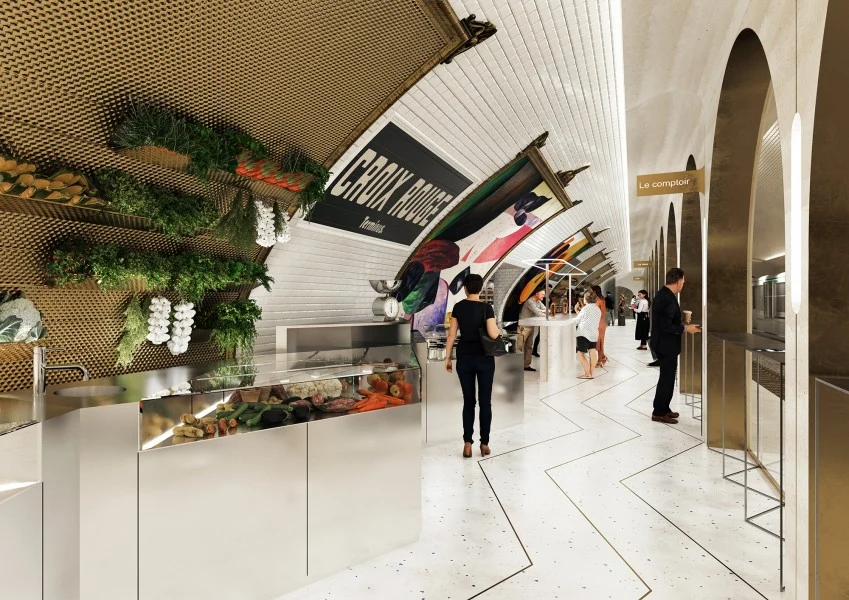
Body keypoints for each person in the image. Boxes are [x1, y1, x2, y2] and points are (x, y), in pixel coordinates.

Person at [445, 274, 501, 457]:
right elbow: (493, 334)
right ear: (481, 288)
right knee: (485, 402)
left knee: (468, 401)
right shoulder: (486, 308)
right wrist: (496, 325)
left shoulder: (458, 307)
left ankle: (467, 443)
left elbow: (452, 334)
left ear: (465, 289)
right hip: (484, 359)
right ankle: (484, 444)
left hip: (464, 358)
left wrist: (447, 357)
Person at [650, 268, 701, 424]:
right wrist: (686, 328)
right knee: (667, 378)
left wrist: (682, 323)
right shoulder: (666, 298)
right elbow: (665, 326)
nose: (683, 284)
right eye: (683, 281)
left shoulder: (665, 294)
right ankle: (659, 412)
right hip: (665, 345)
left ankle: (664, 408)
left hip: (665, 344)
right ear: (678, 281)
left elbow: (667, 320)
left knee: (668, 377)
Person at [574, 289, 602, 378]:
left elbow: (577, 321)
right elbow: (588, 318)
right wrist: (579, 312)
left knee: (580, 353)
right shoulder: (597, 309)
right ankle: (591, 373)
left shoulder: (585, 308)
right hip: (594, 333)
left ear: (586, 299)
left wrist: (576, 311)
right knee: (592, 351)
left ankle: (587, 374)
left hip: (583, 333)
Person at [518, 287, 547, 372]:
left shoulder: (538, 301)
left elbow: (545, 309)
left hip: (531, 326)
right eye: (542, 294)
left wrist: (543, 311)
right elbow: (539, 313)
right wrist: (543, 312)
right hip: (524, 326)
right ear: (536, 294)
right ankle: (516, 366)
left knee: (529, 346)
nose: (543, 296)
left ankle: (526, 365)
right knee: (519, 346)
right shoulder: (530, 302)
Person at [592, 285, 608, 366]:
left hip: (600, 324)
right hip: (596, 323)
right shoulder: (596, 300)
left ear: (595, 291)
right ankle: (603, 357)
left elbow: (602, 314)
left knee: (599, 343)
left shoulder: (601, 301)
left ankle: (600, 360)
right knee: (596, 343)